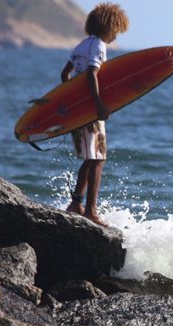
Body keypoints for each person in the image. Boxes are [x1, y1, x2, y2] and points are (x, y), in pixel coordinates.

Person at [61, 3, 129, 226]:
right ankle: (90, 210)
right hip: (91, 111)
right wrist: (97, 103)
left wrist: (73, 102)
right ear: (109, 26)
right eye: (116, 30)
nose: (116, 35)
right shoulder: (99, 45)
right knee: (99, 159)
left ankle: (75, 203)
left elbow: (65, 75)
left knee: (91, 158)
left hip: (80, 112)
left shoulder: (82, 44)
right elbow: (92, 74)